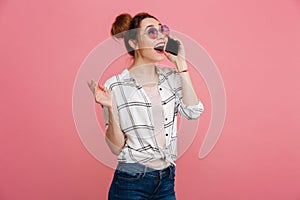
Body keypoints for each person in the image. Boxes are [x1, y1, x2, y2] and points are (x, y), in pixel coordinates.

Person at [87, 12, 204, 200]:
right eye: (151, 32)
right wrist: (110, 107)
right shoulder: (115, 86)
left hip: (166, 180)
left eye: (162, 30)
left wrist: (181, 64)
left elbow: (193, 112)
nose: (160, 36)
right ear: (134, 43)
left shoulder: (171, 78)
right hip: (130, 182)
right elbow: (116, 148)